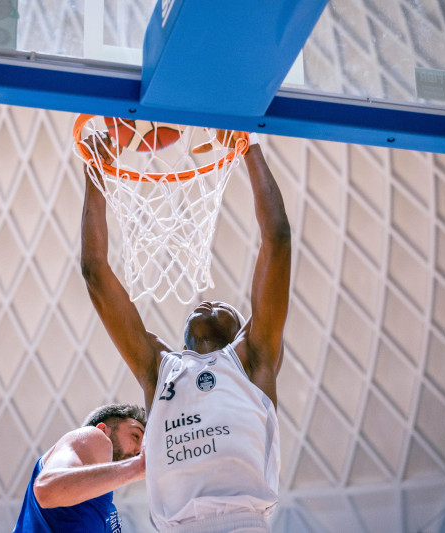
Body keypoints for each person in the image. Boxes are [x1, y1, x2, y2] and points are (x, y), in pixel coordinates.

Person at [80, 129, 292, 532]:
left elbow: (278, 238)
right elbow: (94, 271)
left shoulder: (253, 359)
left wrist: (248, 147)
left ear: (241, 331)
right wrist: (96, 171)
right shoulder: (158, 369)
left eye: (226, 308)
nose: (209, 301)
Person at [13, 403, 147, 532]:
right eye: (135, 436)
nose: (139, 450)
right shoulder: (94, 435)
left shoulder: (105, 504)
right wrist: (139, 466)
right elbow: (47, 487)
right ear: (103, 429)